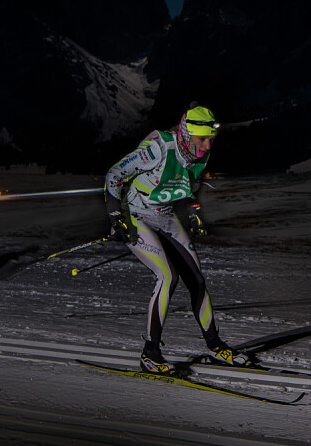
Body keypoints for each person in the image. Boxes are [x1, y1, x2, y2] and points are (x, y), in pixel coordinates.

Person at [104, 103, 252, 373]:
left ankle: (215, 345)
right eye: (202, 139)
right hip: (136, 215)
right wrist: (115, 217)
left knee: (196, 279)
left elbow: (188, 186)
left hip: (165, 215)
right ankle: (150, 353)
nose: (207, 146)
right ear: (186, 133)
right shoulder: (158, 148)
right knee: (167, 276)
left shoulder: (199, 154)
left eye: (210, 139)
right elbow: (114, 175)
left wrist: (194, 211)